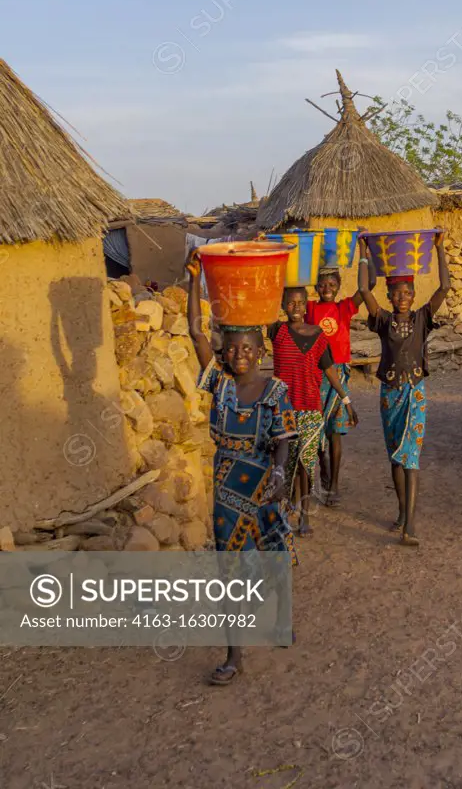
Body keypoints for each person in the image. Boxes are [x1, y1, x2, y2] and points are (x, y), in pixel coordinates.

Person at [186, 250, 297, 686]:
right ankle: (234, 655)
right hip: (227, 489)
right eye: (232, 348)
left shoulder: (275, 390)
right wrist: (195, 280)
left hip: (265, 485)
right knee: (227, 569)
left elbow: (285, 439)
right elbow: (196, 332)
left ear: (261, 349)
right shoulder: (220, 382)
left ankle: (282, 617)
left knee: (274, 557)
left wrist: (281, 476)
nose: (240, 354)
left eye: (248, 347)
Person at [358, 230, 450, 547]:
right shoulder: (382, 320)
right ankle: (401, 512)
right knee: (395, 458)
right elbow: (361, 289)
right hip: (390, 394)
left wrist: (439, 249)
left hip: (415, 393)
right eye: (397, 293)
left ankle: (410, 524)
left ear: (413, 294)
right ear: (389, 296)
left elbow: (445, 287)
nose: (402, 297)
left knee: (411, 458)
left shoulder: (423, 317)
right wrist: (364, 252)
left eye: (407, 292)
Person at [269, 287, 359, 535]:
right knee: (284, 464)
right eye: (290, 303)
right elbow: (259, 311)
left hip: (310, 410)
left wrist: (347, 400)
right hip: (283, 410)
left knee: (306, 463)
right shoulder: (277, 331)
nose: (296, 308)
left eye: (300, 303)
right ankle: (286, 511)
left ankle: (304, 516)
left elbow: (330, 370)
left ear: (306, 305)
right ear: (283, 305)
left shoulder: (318, 335)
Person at [305, 253, 376, 506]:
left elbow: (368, 286)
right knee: (316, 431)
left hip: (339, 377)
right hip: (314, 376)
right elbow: (288, 296)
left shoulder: (343, 307)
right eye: (322, 285)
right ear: (315, 288)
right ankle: (323, 469)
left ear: (338, 287)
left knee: (335, 432)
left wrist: (366, 256)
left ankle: (334, 485)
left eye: (332, 285)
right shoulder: (310, 308)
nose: (327, 289)